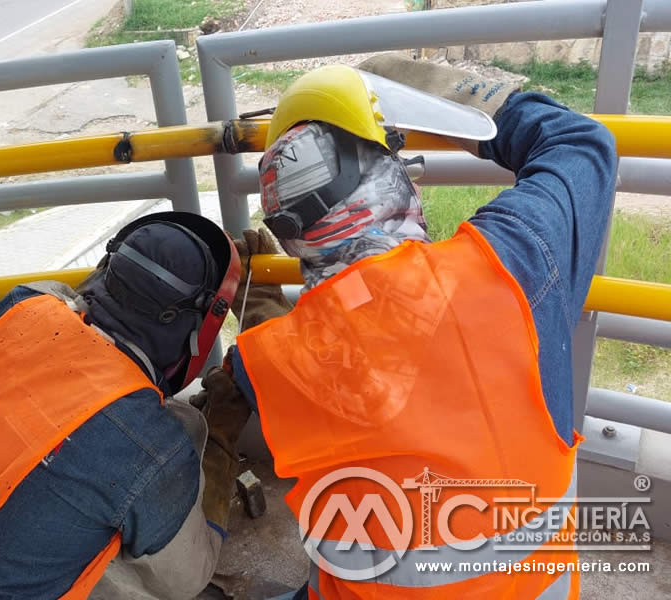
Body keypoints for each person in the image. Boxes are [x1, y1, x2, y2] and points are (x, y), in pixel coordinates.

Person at [199, 56, 618, 599]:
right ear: (392, 178)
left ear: (289, 236)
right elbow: (581, 144)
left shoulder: (266, 362)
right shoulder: (509, 267)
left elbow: (301, 349)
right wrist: (463, 96)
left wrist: (258, 293)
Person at [0, 211, 249, 599]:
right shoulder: (150, 443)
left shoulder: (23, 307)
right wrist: (219, 434)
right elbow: (186, 579)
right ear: (197, 332)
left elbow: (61, 297)